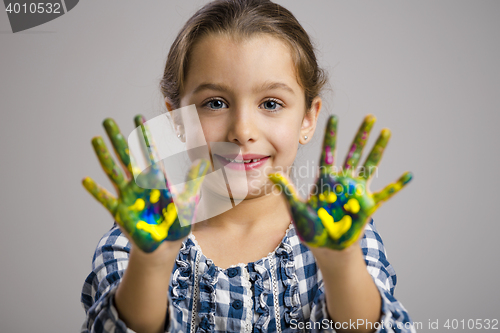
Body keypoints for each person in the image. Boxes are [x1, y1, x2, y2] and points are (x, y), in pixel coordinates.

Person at [80, 0, 416, 332]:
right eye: (215, 103)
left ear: (308, 119)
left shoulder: (343, 234)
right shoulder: (134, 239)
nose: (242, 130)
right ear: (178, 122)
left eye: (271, 103)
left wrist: (340, 261)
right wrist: (151, 263)